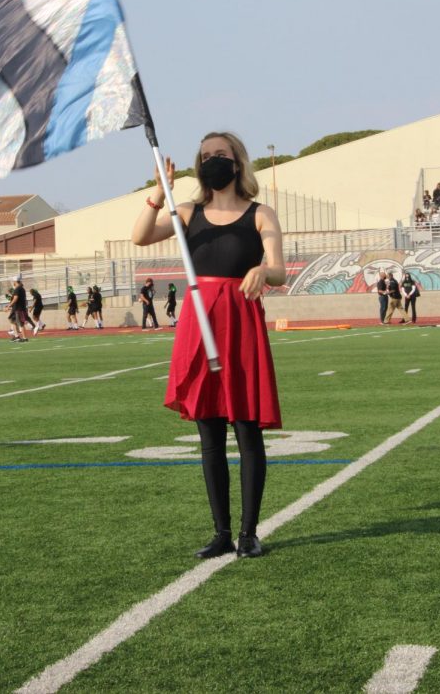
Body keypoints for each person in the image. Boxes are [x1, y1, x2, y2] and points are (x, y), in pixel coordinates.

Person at [132, 131, 285, 559]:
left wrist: (261, 270)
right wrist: (157, 193)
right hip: (199, 327)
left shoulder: (260, 214)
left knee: (247, 431)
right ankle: (221, 533)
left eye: (220, 154)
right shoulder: (187, 212)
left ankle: (249, 533)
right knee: (210, 435)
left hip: (241, 325)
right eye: (205, 156)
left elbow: (277, 271)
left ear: (238, 162)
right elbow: (140, 237)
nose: (212, 160)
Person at [6, 276, 29, 342]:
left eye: (13, 281)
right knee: (12, 321)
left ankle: (24, 338)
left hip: (19, 308)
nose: (13, 283)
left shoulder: (18, 289)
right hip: (16, 308)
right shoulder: (20, 288)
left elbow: (15, 299)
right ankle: (17, 337)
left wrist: (9, 306)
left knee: (20, 323)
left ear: (15, 282)